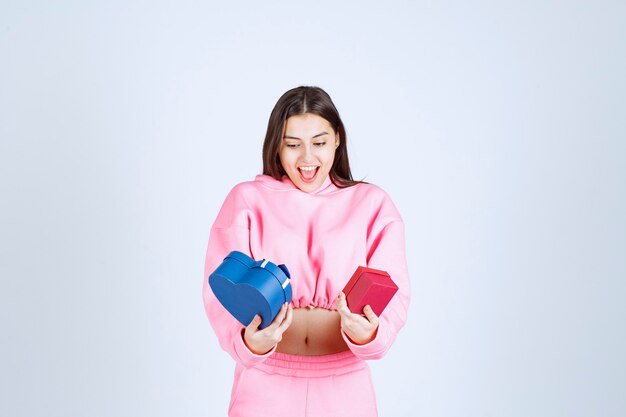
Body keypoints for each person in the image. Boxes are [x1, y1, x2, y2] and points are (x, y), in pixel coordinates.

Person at [202, 86, 410, 417]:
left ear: (338, 139)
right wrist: (250, 342)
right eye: (293, 145)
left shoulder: (373, 205)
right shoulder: (246, 200)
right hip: (264, 385)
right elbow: (221, 295)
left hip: (346, 387)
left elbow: (393, 294)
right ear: (276, 145)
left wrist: (370, 332)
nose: (308, 158)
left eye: (319, 142)